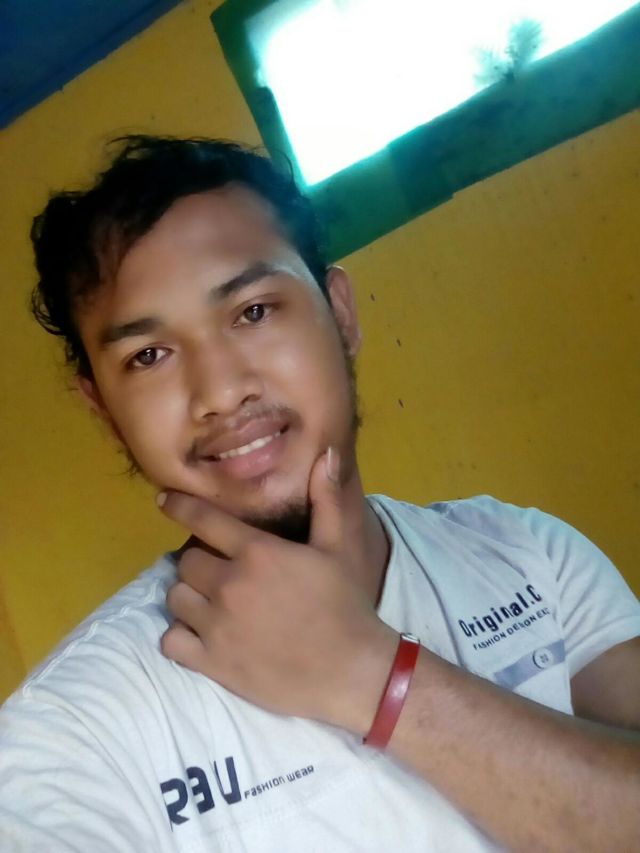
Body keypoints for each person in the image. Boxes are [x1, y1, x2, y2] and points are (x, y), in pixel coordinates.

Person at [1, 135, 638, 852]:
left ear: (340, 314)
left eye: (253, 311)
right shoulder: (71, 737)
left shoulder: (530, 556)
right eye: (149, 355)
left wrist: (370, 675)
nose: (221, 391)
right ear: (103, 408)